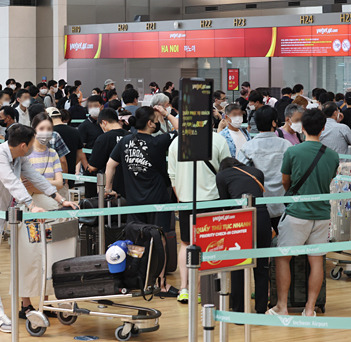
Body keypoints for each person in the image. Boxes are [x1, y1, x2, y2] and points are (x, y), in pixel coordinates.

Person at [0, 124, 77, 332]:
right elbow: (12, 183)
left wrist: (60, 199)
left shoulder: (19, 157)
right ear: (24, 145)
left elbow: (35, 177)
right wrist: (31, 204)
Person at [266, 108, 339, 317]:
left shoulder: (292, 151)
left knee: (283, 258)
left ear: (303, 127)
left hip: (297, 213)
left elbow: (285, 181)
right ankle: (309, 308)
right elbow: (329, 181)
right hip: (323, 214)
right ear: (324, 128)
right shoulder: (332, 155)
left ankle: (282, 306)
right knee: (316, 260)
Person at [105, 105, 179, 296]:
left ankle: (138, 279)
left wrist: (108, 189)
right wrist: (167, 113)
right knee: (159, 240)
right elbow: (182, 129)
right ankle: (161, 285)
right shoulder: (158, 141)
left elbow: (110, 165)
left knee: (136, 241)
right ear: (149, 123)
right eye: (156, 119)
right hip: (158, 200)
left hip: (135, 200)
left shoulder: (124, 142)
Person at [168, 127, 230, 303]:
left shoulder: (176, 143)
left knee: (186, 243)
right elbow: (226, 171)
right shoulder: (218, 140)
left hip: (186, 199)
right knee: (211, 243)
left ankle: (184, 288)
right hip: (213, 199)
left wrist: (181, 198)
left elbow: (172, 175)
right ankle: (203, 290)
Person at [18, 112, 66, 316]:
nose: (46, 133)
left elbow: (60, 182)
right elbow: (22, 186)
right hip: (28, 211)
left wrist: (37, 184)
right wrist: (44, 185)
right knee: (28, 256)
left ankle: (44, 303)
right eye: (42, 129)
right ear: (33, 130)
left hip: (50, 211)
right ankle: (25, 303)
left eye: (49, 129)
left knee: (48, 256)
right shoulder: (24, 154)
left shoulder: (53, 153)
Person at [215, 157, 271, 313]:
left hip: (240, 221)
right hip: (262, 218)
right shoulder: (257, 172)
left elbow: (224, 204)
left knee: (238, 266)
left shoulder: (222, 176)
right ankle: (261, 310)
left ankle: (239, 310)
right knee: (261, 267)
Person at [238, 106, 292, 234]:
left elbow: (240, 175)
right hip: (283, 203)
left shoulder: (247, 147)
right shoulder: (286, 145)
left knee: (261, 243)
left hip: (258, 204)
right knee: (284, 242)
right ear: (274, 122)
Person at [49, 107, 86, 192]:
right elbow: (80, 155)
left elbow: (62, 160)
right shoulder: (75, 131)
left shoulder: (50, 133)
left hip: (53, 177)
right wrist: (72, 164)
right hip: (70, 175)